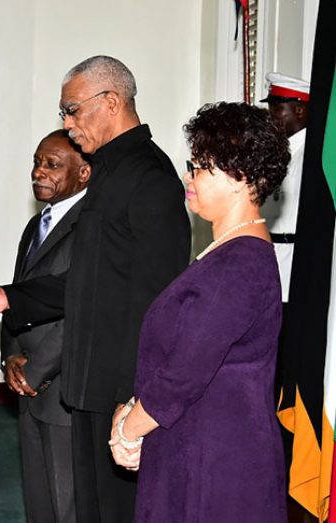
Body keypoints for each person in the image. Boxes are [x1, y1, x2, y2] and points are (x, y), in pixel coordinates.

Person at [0, 55, 190, 523]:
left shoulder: (149, 176)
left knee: (113, 510)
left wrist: (136, 396)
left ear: (110, 102)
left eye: (72, 110)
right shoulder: (108, 172)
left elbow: (158, 295)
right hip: (87, 383)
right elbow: (88, 279)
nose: (66, 124)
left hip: (119, 386)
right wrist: (11, 297)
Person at [109, 101, 289, 522]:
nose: (190, 177)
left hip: (218, 461)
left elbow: (183, 374)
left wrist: (127, 430)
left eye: (204, 167)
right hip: (197, 445)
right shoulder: (227, 253)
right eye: (193, 164)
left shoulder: (240, 264)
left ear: (242, 180)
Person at [2, 130, 90, 523]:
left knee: (66, 502)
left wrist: (36, 370)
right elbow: (16, 295)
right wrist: (10, 356)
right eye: (37, 162)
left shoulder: (90, 228)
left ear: (84, 173)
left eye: (52, 165)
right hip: (26, 381)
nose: (39, 172)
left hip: (61, 387)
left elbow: (81, 309)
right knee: (38, 500)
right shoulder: (36, 225)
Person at [260, 72, 310, 302]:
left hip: (294, 261)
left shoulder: (311, 156)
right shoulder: (278, 152)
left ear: (299, 110)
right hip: (270, 256)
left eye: (276, 109)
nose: (270, 117)